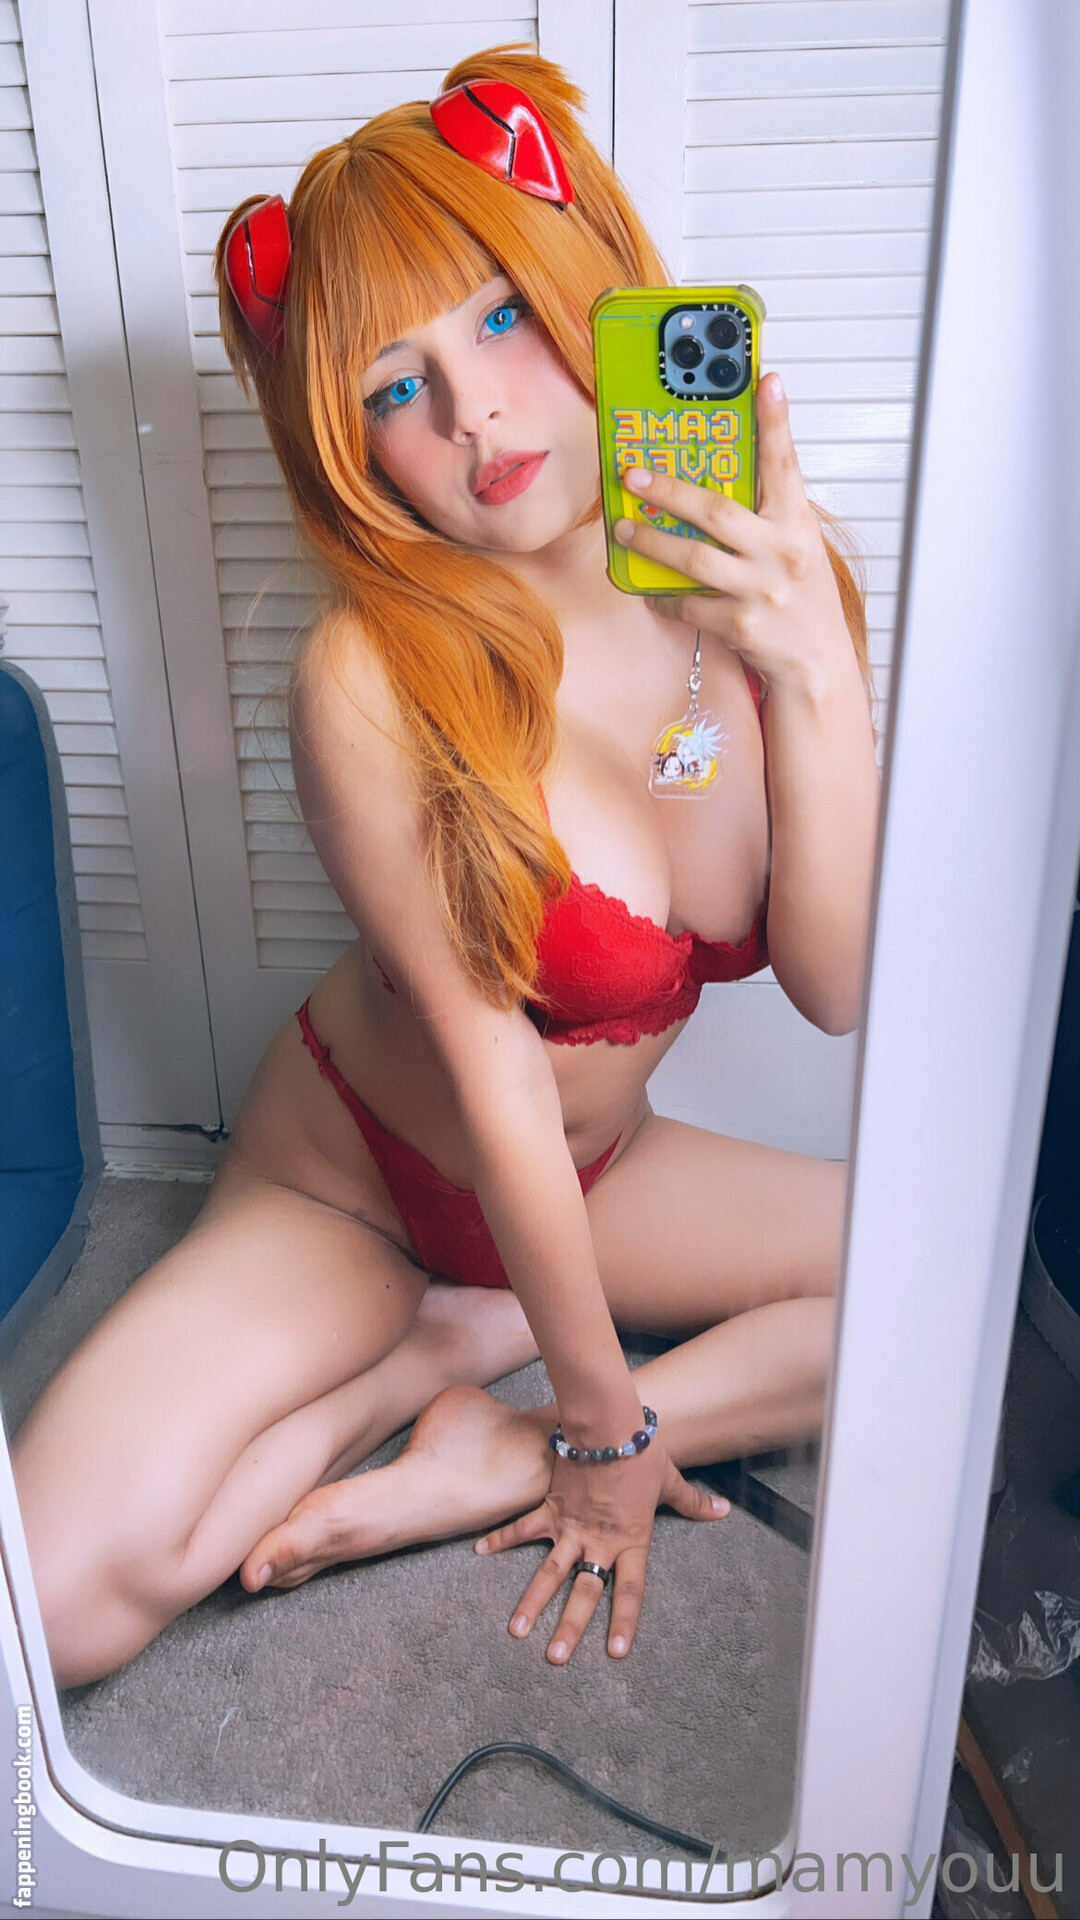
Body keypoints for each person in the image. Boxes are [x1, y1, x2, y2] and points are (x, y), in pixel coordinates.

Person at [12, 46, 880, 1690]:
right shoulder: (367, 678)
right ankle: (436, 1346)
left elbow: (836, 990)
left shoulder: (773, 593)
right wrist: (605, 1433)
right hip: (355, 1178)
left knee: (937, 1295)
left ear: (592, 287)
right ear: (350, 448)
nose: (473, 410)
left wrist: (818, 676)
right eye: (394, 388)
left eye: (498, 317)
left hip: (598, 1179)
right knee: (48, 1608)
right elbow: (496, 1088)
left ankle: (492, 1442)